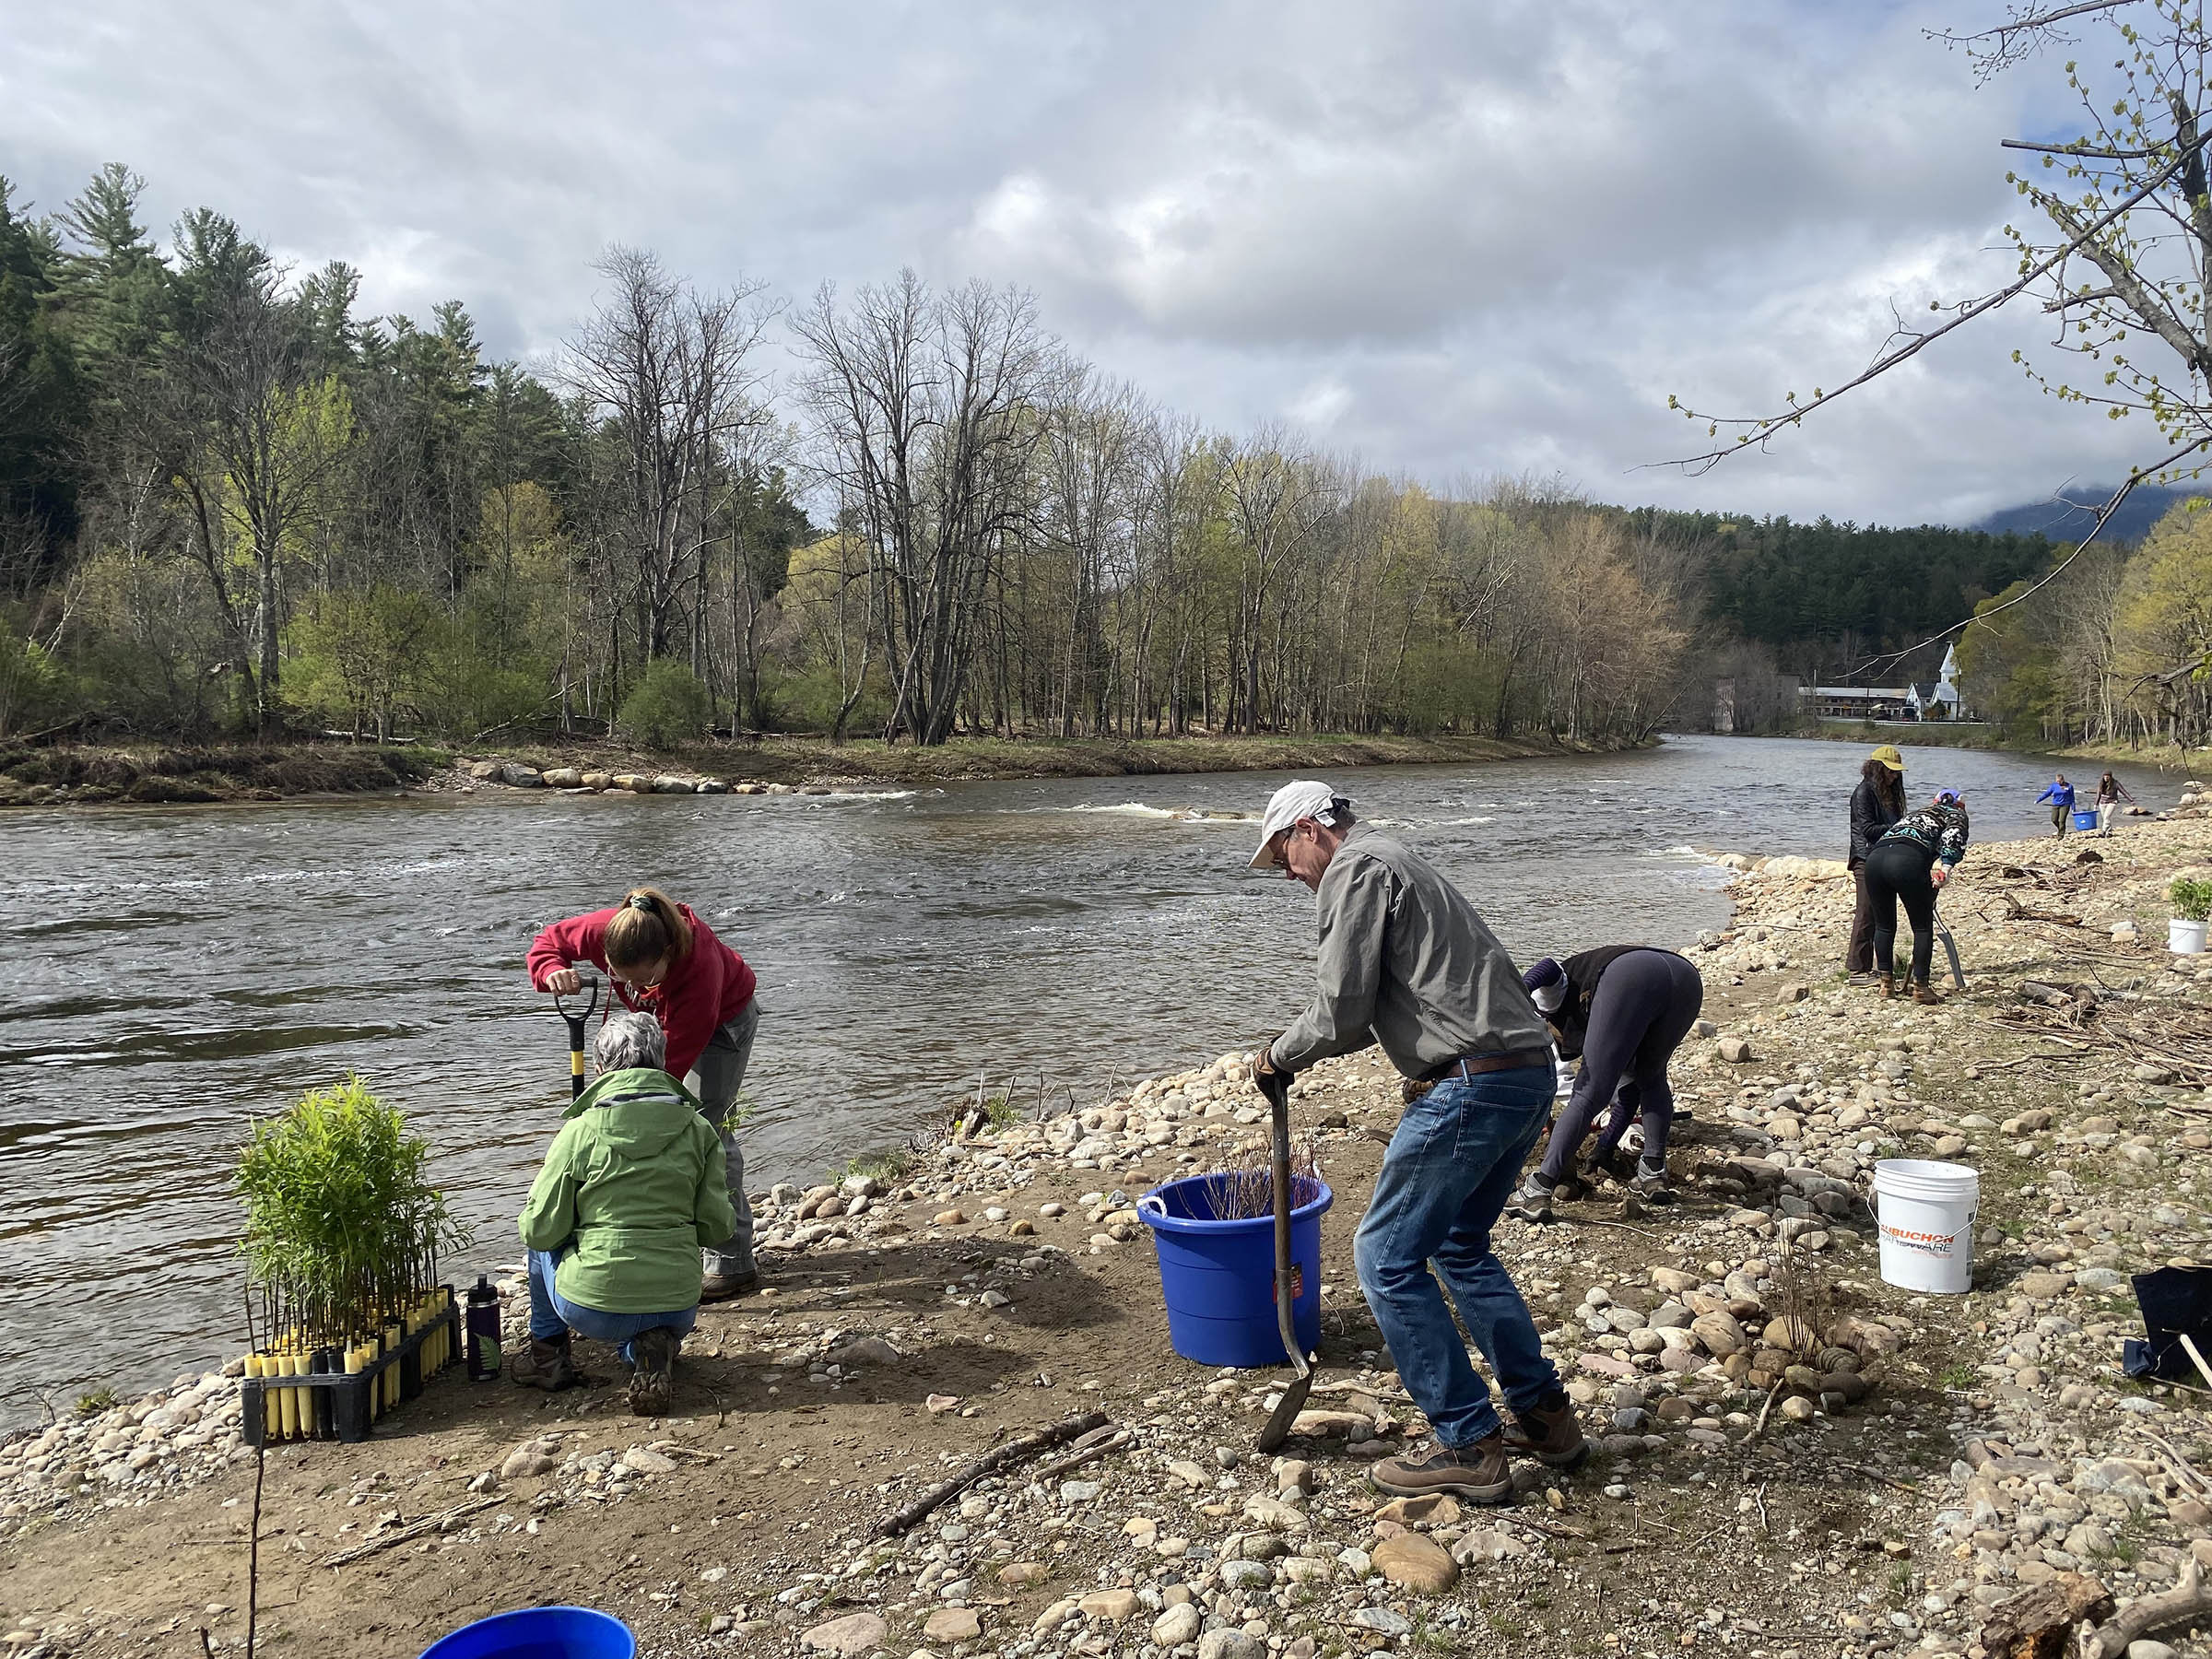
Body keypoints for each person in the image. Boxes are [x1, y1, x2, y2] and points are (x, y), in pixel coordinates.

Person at [1247, 779, 1586, 1503]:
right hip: (1524, 1072)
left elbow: (1342, 1009)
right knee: (1459, 1245)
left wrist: (1279, 1054)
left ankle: (1467, 1441)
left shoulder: (1356, 869)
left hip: (1473, 1080)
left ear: (1310, 828)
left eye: (1283, 855)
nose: (1287, 873)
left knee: (1384, 1257)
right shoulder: (1395, 859)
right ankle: (1545, 1416)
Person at [528, 888, 761, 1300]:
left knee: (705, 1130)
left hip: (723, 1025)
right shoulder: (608, 931)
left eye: (645, 979)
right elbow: (549, 940)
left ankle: (733, 1262)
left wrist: (613, 1109)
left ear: (669, 952)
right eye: (621, 977)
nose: (633, 987)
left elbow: (661, 1079)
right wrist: (551, 970)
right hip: (661, 1022)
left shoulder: (699, 970)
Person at [518, 1012, 737, 1415]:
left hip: (594, 1309)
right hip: (679, 1304)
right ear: (661, 1063)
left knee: (541, 1245)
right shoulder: (699, 1129)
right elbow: (716, 1228)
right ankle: (642, 1349)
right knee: (643, 1316)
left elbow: (539, 1230)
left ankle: (546, 1358)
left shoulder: (578, 1130)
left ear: (600, 1069)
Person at [1505, 947, 1705, 1223]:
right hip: (1685, 979)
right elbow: (1628, 1096)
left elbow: (1548, 967)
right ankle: (1653, 1173)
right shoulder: (1619, 1027)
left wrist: (1514, 996)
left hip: (1628, 976)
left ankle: (1538, 1188)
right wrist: (1605, 1148)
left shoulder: (1550, 1005)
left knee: (1588, 1093)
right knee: (1651, 1076)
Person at [1863, 791, 1971, 1005]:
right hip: (1906, 861)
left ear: (1934, 801)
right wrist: (1946, 868)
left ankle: (1886, 985)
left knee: (1884, 925)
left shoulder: (1918, 813)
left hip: (1875, 860)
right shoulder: (1956, 814)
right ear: (1961, 805)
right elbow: (1953, 837)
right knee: (1921, 927)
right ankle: (1921, 988)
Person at [1847, 746, 1908, 982]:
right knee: (1866, 913)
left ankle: (1874, 965)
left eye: (1896, 773)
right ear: (1877, 769)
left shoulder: (1888, 794)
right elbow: (1868, 830)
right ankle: (1856, 969)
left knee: (1880, 913)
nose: (1894, 777)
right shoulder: (1863, 793)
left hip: (1883, 857)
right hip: (1865, 858)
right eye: (1890, 772)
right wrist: (1899, 828)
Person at [2095, 771, 2136, 836]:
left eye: (2107, 776)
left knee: (2106, 817)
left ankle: (2103, 831)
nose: (2106, 778)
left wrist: (2131, 800)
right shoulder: (2101, 783)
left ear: (2110, 777)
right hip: (2102, 803)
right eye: (2104, 776)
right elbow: (2098, 794)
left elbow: (2123, 791)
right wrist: (2096, 803)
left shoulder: (2115, 783)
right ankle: (2109, 832)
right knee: (2106, 819)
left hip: (2112, 802)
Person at [2037, 773, 2076, 839]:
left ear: (2063, 780)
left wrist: (2073, 807)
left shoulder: (2069, 786)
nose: (2058, 782)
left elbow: (2072, 797)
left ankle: (2061, 835)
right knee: (2054, 820)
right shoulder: (2054, 786)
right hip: (2055, 805)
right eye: (2057, 781)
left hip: (2065, 805)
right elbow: (2047, 794)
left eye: (2059, 781)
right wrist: (2039, 799)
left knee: (2062, 820)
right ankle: (2060, 829)